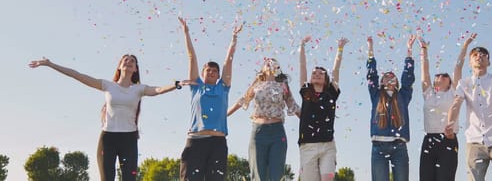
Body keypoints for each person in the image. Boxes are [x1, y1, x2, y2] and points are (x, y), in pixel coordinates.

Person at [29, 55, 190, 181]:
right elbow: (77, 75)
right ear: (120, 66)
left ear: (135, 69)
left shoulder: (139, 89)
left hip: (129, 140)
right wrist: (50, 64)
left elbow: (158, 90)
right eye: (125, 60)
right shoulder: (107, 85)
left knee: (129, 178)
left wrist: (176, 84)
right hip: (108, 139)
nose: (128, 62)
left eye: (132, 61)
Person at [178, 17, 244, 181]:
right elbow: (191, 57)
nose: (211, 72)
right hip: (195, 140)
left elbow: (229, 60)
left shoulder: (223, 87)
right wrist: (186, 33)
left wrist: (233, 39)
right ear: (202, 73)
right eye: (208, 70)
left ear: (219, 75)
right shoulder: (196, 86)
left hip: (217, 143)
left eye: (215, 71)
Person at [445, 45, 492, 181]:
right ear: (470, 62)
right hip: (474, 143)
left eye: (483, 55)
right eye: (475, 55)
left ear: (489, 62)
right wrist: (450, 122)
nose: (479, 56)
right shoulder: (464, 83)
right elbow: (456, 105)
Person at [228, 57, 300, 181]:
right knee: (258, 175)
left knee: (276, 174)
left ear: (277, 68)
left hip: (277, 133)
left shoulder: (283, 84)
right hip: (258, 132)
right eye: (267, 63)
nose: (269, 65)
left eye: (273, 63)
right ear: (262, 68)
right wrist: (224, 115)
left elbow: (292, 104)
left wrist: (310, 122)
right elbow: (243, 100)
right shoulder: (257, 84)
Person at [419, 33, 477, 181]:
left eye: (444, 76)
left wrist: (465, 46)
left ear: (450, 82)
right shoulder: (428, 93)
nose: (439, 77)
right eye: (437, 76)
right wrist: (424, 50)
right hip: (429, 140)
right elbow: (425, 72)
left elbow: (458, 67)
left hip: (448, 139)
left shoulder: (453, 92)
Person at [298, 36, 348, 181]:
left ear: (326, 79)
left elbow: (336, 69)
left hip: (328, 146)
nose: (317, 74)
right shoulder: (306, 92)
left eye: (321, 73)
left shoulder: (331, 93)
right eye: (314, 73)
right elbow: (302, 66)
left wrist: (340, 49)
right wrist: (302, 46)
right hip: (307, 146)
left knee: (327, 178)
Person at [366, 35, 416, 181]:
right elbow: (371, 75)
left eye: (392, 76)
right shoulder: (376, 95)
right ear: (381, 82)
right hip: (378, 146)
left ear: (397, 82)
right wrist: (370, 50)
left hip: (399, 146)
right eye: (386, 77)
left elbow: (408, 77)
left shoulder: (403, 96)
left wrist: (409, 52)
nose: (389, 78)